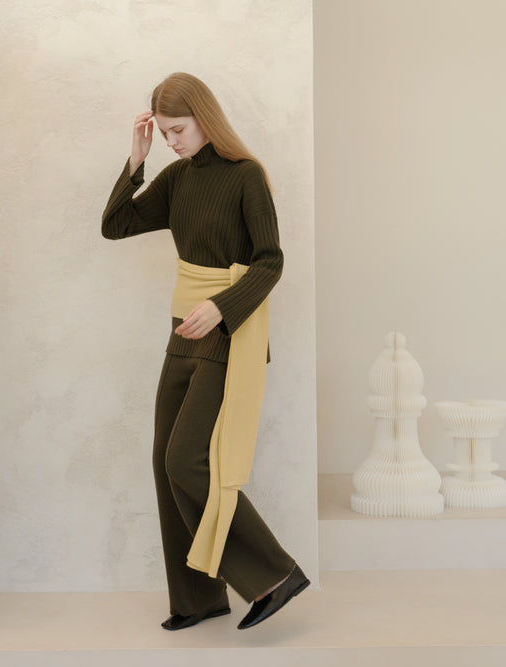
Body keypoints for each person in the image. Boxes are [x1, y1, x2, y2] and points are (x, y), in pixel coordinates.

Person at [101, 72, 309, 631]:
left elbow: (270, 260)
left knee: (185, 460)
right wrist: (136, 160)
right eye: (165, 132)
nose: (172, 141)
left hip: (227, 331)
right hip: (182, 331)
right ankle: (198, 599)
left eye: (179, 130)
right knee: (163, 461)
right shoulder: (175, 178)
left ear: (204, 117)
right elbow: (115, 226)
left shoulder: (246, 176)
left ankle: (274, 575)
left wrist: (221, 307)